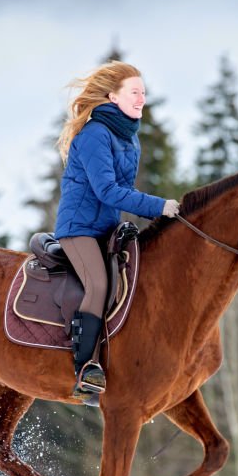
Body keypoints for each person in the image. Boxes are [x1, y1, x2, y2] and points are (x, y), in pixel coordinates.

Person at [54, 61, 180, 400]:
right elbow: (107, 191)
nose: (142, 98)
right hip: (78, 229)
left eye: (143, 92)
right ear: (112, 96)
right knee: (98, 283)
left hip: (106, 228)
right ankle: (85, 369)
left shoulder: (129, 137)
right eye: (135, 92)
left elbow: (123, 191)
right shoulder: (95, 134)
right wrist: (160, 207)